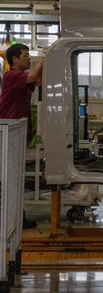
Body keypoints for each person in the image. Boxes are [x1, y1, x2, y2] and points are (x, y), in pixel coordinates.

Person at [0, 43, 44, 229]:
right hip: (8, 134)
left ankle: (17, 217)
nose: (29, 58)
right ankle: (11, 220)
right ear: (14, 59)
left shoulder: (22, 80)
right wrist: (46, 59)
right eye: (25, 55)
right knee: (9, 178)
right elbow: (34, 75)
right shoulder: (11, 76)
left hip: (17, 134)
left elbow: (38, 81)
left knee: (15, 178)